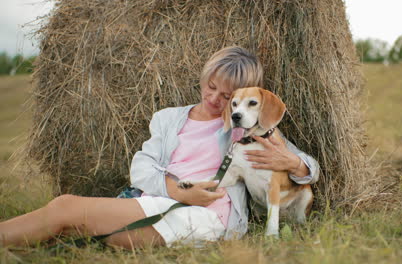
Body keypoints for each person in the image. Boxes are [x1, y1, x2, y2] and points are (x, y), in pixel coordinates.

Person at [0, 46, 319, 249]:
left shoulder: (246, 127)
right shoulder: (168, 119)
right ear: (204, 77)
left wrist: (292, 163)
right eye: (211, 87)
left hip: (211, 216)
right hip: (166, 200)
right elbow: (141, 168)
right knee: (75, 224)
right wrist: (177, 191)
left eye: (226, 97)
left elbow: (306, 166)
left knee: (66, 208)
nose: (214, 100)